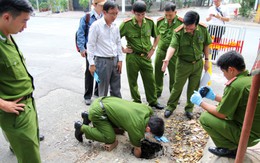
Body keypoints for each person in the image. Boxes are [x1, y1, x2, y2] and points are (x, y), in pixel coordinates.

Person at [190, 50, 260, 158]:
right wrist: (214, 97)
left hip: (248, 136)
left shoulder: (235, 85)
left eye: (224, 72)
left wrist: (201, 102)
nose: (223, 75)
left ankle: (230, 149)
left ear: (231, 70)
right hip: (255, 132)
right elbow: (234, 102)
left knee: (205, 118)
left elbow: (221, 114)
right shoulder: (249, 79)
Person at [0, 0, 41, 162]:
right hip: (15, 112)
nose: (25, 27)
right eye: (24, 21)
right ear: (7, 17)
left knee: (31, 146)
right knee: (30, 157)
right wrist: (3, 104)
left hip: (27, 103)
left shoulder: (7, 36)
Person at [74, 96, 165, 158]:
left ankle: (87, 116)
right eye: (152, 134)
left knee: (120, 127)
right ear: (148, 129)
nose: (150, 136)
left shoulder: (147, 110)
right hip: (98, 112)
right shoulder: (136, 129)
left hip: (103, 100)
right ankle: (81, 127)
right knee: (110, 138)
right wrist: (138, 157)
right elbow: (137, 149)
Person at [162, 11, 212, 119]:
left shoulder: (202, 30)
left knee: (193, 87)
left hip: (198, 63)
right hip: (183, 64)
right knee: (177, 87)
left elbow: (206, 45)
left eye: (191, 28)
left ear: (196, 24)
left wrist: (207, 60)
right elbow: (172, 46)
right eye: (186, 27)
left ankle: (189, 108)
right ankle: (170, 107)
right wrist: (167, 58)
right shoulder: (179, 32)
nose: (188, 30)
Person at [120, 1, 164, 110]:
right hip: (133, 57)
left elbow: (157, 36)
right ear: (133, 12)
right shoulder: (126, 24)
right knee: (133, 81)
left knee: (150, 80)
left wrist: (153, 49)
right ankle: (136, 102)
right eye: (138, 15)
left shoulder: (149, 22)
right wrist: (123, 49)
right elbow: (115, 38)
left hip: (146, 57)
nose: (140, 17)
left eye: (143, 14)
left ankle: (153, 101)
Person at [87, 1, 123, 98]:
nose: (114, 16)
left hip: (115, 60)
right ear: (104, 12)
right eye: (112, 13)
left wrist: (120, 60)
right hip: (102, 62)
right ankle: (102, 111)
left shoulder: (115, 26)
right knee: (102, 90)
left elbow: (118, 43)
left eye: (116, 13)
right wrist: (91, 64)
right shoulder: (96, 26)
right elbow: (90, 45)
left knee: (116, 89)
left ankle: (115, 110)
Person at [76, 0, 106, 105]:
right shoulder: (87, 17)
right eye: (101, 5)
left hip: (102, 51)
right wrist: (82, 49)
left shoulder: (104, 16)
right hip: (90, 51)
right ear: (94, 5)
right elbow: (80, 33)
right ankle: (87, 95)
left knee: (100, 71)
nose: (103, 7)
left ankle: (97, 92)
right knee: (90, 72)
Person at [154, 2, 183, 98]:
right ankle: (157, 91)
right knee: (158, 72)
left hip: (174, 53)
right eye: (166, 15)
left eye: (170, 15)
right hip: (161, 50)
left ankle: (173, 95)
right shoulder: (160, 21)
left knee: (174, 74)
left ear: (175, 12)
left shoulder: (181, 23)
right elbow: (156, 36)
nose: (168, 17)